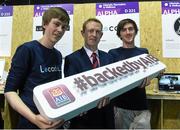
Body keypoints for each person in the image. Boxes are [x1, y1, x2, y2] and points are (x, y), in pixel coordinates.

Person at [4, 7, 70, 129]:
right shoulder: (27, 50)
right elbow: (10, 91)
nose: (60, 30)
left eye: (64, 27)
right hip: (30, 122)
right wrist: (34, 119)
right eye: (56, 24)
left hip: (54, 121)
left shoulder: (58, 55)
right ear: (45, 24)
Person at [64, 18, 114, 128]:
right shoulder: (71, 59)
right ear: (83, 33)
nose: (94, 34)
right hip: (83, 118)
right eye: (90, 31)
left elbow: (114, 84)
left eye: (98, 32)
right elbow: (72, 89)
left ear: (101, 35)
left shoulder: (109, 58)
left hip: (106, 117)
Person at [108, 18, 151, 129]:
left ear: (135, 31)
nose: (128, 32)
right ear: (120, 34)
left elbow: (148, 73)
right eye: (124, 30)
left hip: (141, 107)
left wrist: (150, 78)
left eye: (131, 29)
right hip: (120, 107)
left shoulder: (143, 52)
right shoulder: (113, 53)